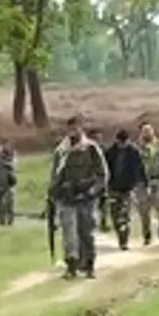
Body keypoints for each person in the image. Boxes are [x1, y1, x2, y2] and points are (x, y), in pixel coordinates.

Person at [49, 116, 108, 279]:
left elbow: (102, 175)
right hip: (67, 198)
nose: (73, 132)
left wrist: (91, 191)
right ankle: (71, 266)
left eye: (76, 128)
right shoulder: (61, 151)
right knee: (69, 233)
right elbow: (54, 176)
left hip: (86, 199)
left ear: (81, 129)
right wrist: (54, 194)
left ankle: (89, 265)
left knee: (86, 233)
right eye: (70, 129)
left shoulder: (91, 148)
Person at [103, 129, 148, 250]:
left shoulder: (134, 152)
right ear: (116, 140)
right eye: (120, 142)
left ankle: (124, 241)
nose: (122, 145)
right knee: (115, 214)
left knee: (125, 214)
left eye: (125, 142)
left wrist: (144, 183)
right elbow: (103, 170)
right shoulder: (109, 153)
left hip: (128, 189)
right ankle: (120, 234)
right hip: (113, 188)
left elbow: (141, 168)